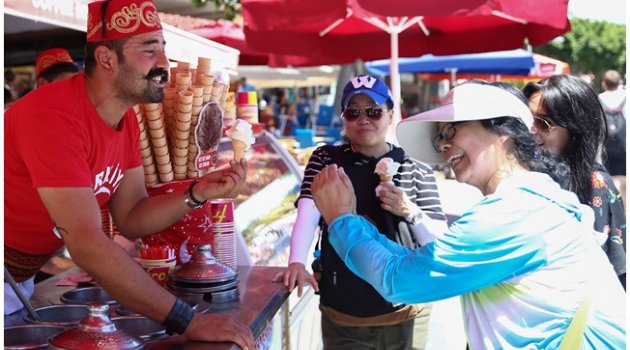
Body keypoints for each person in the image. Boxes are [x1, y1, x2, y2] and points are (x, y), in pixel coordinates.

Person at [4, 1, 254, 348]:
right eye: (150, 51)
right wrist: (188, 320)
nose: (164, 64)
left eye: (164, 50)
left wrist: (197, 192)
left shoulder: (126, 121)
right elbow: (87, 244)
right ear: (107, 59)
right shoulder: (53, 116)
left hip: (17, 279)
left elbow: (132, 216)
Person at [310, 83, 626, 349]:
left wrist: (342, 220)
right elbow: (422, 261)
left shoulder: (513, 214)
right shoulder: (532, 198)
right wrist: (358, 226)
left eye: (451, 130)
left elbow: (401, 279)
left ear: (504, 132)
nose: (443, 145)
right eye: (439, 138)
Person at [275, 74, 448, 349]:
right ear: (343, 118)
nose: (363, 119)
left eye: (374, 111)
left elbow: (439, 244)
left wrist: (408, 209)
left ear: (391, 114)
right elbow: (308, 210)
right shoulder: (326, 158)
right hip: (344, 310)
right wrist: (296, 261)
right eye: (353, 112)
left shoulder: (413, 165)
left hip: (407, 308)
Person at [523, 75, 626, 288]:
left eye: (543, 123)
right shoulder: (518, 178)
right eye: (525, 120)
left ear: (576, 131)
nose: (531, 130)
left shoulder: (596, 184)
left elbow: (612, 273)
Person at [598, 69, 626, 176]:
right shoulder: (626, 98)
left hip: (606, 147)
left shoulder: (599, 98)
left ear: (604, 83)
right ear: (619, 83)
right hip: (624, 146)